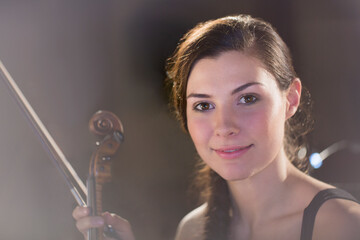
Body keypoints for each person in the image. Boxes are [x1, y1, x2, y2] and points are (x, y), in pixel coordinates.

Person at [73, 14, 360, 240]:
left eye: (247, 99)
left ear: (291, 99)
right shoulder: (192, 231)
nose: (224, 127)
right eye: (203, 105)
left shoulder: (343, 226)